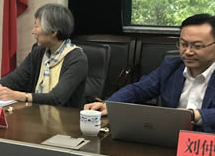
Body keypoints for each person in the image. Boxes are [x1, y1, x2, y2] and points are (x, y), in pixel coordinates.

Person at [85, 14, 215, 132]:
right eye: (183, 44)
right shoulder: (172, 66)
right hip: (171, 137)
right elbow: (138, 90)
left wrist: (194, 115)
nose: (188, 52)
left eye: (197, 46)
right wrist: (109, 105)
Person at [0, 3, 88, 108]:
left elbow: (56, 98)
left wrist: (17, 96)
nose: (33, 31)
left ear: (53, 32)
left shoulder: (77, 59)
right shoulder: (39, 52)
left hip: (66, 118)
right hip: (37, 115)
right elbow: (16, 79)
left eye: (36, 26)